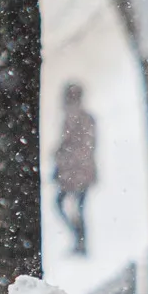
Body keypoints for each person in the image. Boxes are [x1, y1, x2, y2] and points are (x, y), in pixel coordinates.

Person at [51, 81, 96, 256]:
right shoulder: (82, 118)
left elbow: (78, 147)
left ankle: (80, 241)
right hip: (78, 171)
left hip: (76, 172)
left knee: (70, 205)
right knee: (76, 206)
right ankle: (80, 241)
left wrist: (63, 160)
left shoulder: (77, 119)